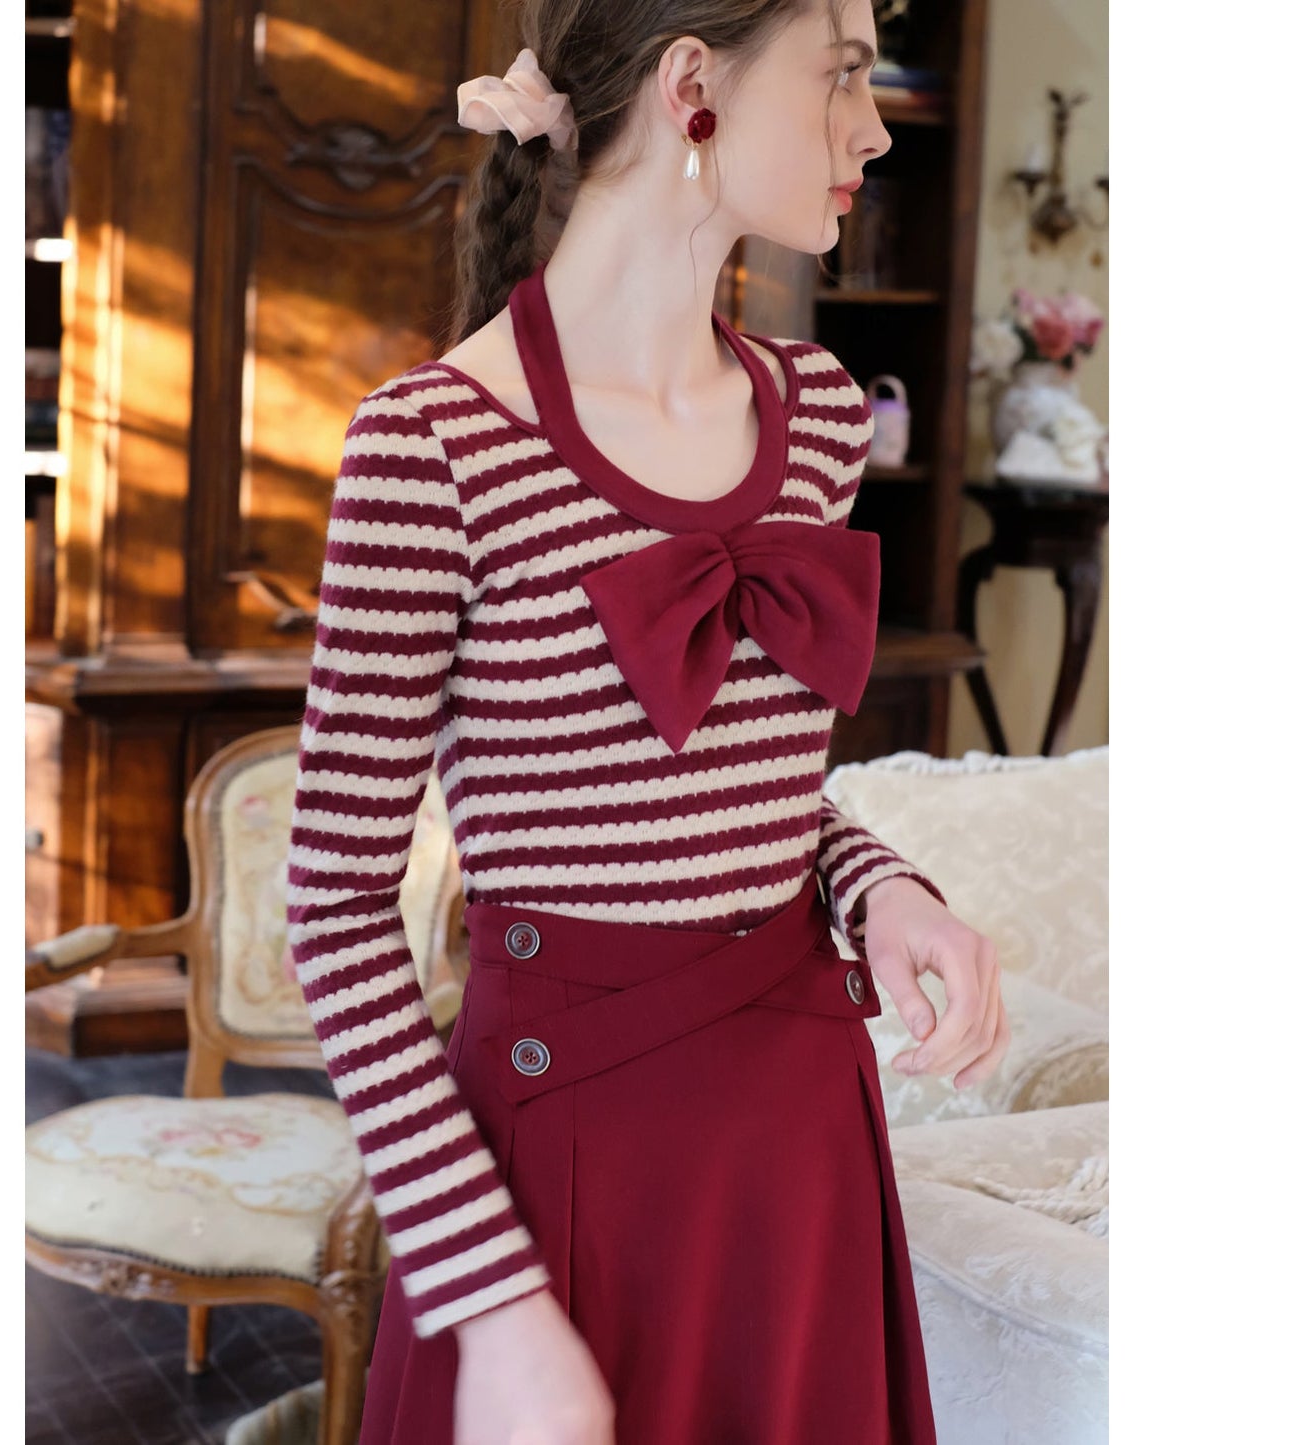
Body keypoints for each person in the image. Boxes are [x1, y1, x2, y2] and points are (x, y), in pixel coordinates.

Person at [285, 1, 1010, 1441]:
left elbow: (734, 788)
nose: (872, 130)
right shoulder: (430, 445)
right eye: (843, 76)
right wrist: (491, 1305)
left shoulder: (818, 418)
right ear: (693, 86)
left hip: (800, 1139)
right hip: (561, 1181)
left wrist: (882, 888)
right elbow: (335, 909)